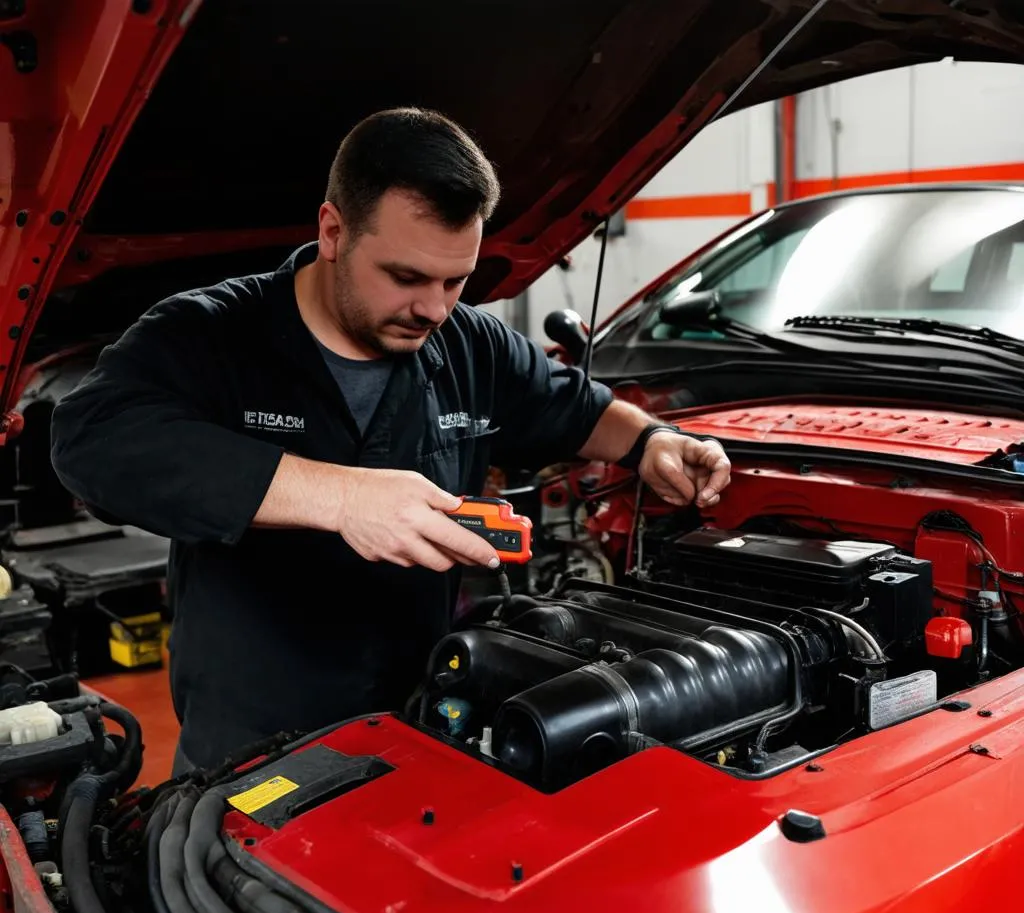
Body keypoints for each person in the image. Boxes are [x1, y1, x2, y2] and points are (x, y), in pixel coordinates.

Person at [50, 108, 731, 771]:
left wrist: (651, 442)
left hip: (425, 720)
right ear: (333, 231)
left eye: (455, 280)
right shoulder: (212, 335)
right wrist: (342, 497)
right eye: (406, 277)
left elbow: (576, 409)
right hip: (255, 744)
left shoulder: (473, 344)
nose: (434, 308)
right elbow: (91, 439)